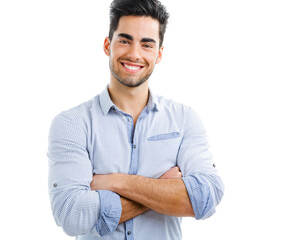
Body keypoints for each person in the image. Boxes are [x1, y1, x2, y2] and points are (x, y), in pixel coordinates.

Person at [47, 0, 225, 239]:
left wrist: (115, 182)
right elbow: (71, 215)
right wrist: (163, 188)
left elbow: (205, 197)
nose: (134, 54)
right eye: (125, 40)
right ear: (107, 45)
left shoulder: (184, 120)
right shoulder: (73, 123)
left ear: (159, 53)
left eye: (147, 44)